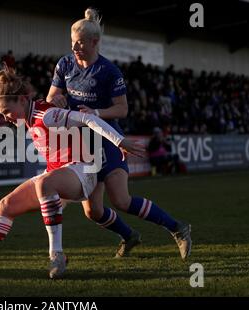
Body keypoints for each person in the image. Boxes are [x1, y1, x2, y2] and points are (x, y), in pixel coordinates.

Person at [0, 67, 144, 278]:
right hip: (60, 172)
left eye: (7, 112)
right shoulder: (30, 117)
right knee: (6, 206)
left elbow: (89, 119)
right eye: (2, 115)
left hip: (83, 170)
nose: (6, 119)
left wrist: (120, 141)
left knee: (46, 184)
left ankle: (56, 254)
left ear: (22, 100)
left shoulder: (47, 114)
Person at [47, 8, 192, 260]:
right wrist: (56, 99)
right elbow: (51, 97)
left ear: (95, 42)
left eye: (80, 43)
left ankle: (178, 228)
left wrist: (96, 113)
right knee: (92, 211)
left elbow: (122, 109)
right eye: (72, 42)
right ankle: (129, 236)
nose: (75, 47)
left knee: (121, 201)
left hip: (107, 140)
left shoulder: (109, 71)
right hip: (81, 147)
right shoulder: (65, 64)